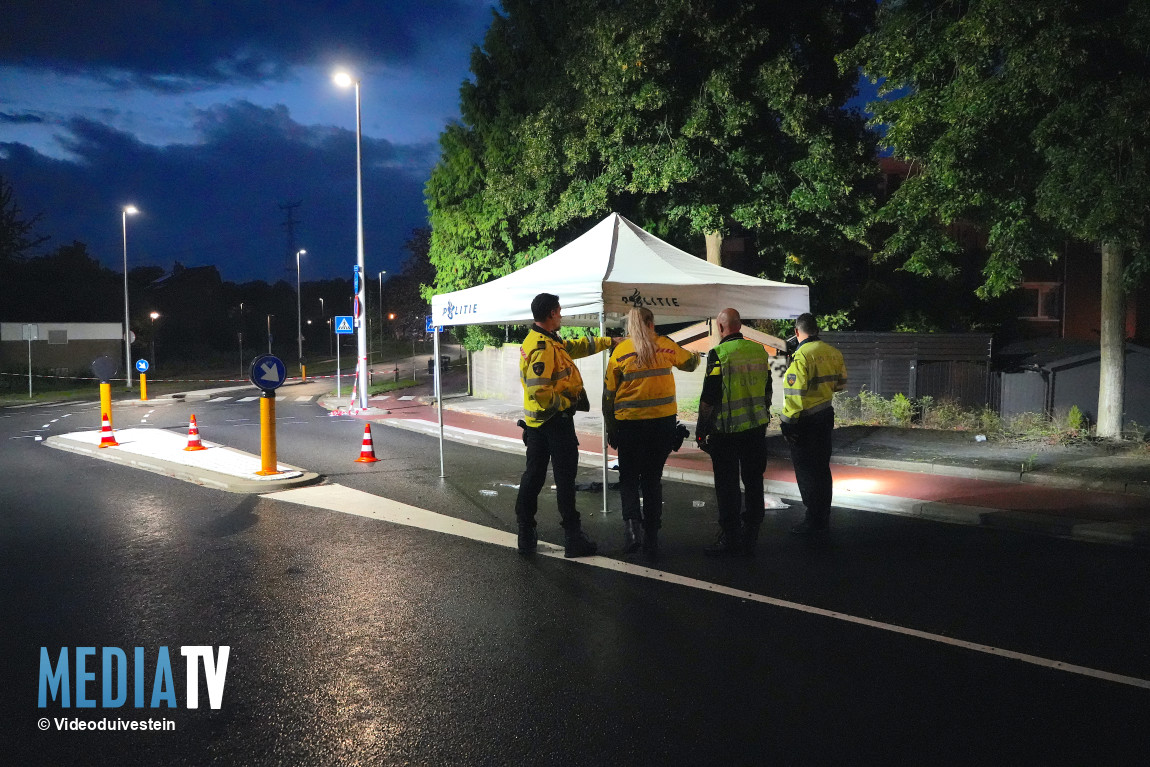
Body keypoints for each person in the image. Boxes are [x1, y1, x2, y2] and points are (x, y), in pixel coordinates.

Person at [516, 293, 617, 557]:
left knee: (534, 477)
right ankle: (572, 538)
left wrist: (610, 341)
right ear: (551, 314)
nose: (561, 315)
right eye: (559, 312)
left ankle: (526, 534)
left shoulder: (549, 341)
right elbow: (539, 391)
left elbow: (576, 347)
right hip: (553, 423)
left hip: (538, 424)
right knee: (562, 480)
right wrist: (565, 404)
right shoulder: (542, 347)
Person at [604, 306, 700, 558]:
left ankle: (632, 531)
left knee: (628, 479)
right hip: (661, 426)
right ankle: (652, 538)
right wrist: (697, 355)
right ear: (651, 322)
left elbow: (608, 395)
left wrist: (611, 426)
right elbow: (690, 364)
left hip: (629, 426)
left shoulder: (621, 352)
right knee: (651, 480)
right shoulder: (665, 346)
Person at [695, 308, 773, 557]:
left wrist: (701, 429)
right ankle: (752, 532)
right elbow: (767, 388)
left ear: (720, 327)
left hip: (727, 431)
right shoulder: (759, 351)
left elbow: (710, 396)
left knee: (727, 485)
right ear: (739, 326)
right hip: (756, 427)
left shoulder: (719, 354)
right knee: (753, 480)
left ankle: (730, 535)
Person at [779, 312, 847, 534]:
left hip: (805, 421)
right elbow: (839, 385)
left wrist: (787, 423)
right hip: (825, 415)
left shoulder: (801, 357)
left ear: (797, 332)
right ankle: (822, 515)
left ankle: (812, 519)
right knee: (821, 468)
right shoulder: (833, 353)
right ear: (816, 330)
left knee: (806, 471)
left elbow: (794, 395)